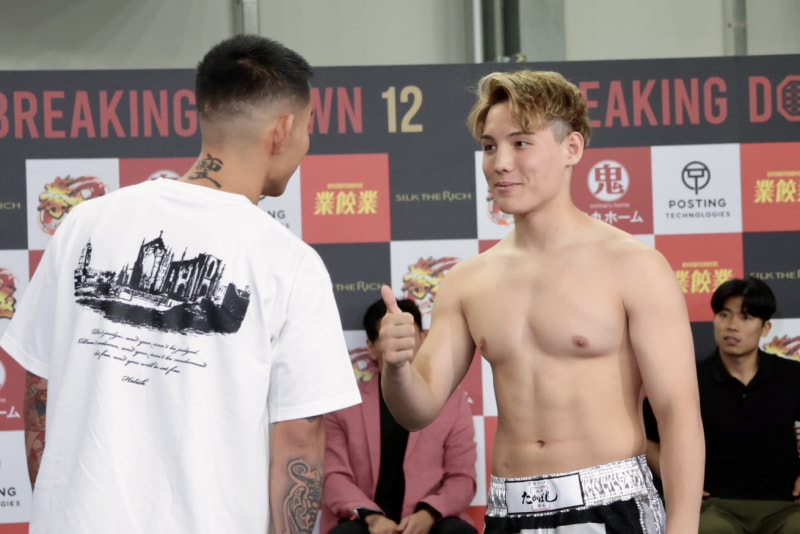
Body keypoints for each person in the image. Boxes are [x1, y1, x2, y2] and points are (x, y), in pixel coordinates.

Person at [0, 35, 362, 534]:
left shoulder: (84, 223)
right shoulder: (290, 263)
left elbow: (39, 389)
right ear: (282, 130)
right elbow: (299, 438)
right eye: (309, 126)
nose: (308, 142)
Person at [377, 70, 705, 534]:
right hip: (510, 512)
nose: (500, 163)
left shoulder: (635, 266)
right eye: (490, 147)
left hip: (612, 509)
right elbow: (417, 410)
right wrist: (397, 368)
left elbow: (678, 415)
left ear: (572, 148)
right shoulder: (468, 281)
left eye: (520, 143)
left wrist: (684, 527)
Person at [644, 276, 800, 534]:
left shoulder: (791, 376)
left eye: (745, 318)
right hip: (714, 507)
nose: (732, 326)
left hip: (784, 506)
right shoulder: (690, 380)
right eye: (724, 315)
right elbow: (645, 438)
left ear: (765, 328)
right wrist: (680, 478)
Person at [320, 297, 478, 534]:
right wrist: (372, 517)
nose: (401, 344)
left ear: (423, 339)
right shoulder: (345, 404)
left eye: (408, 335)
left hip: (431, 523)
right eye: (389, 336)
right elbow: (334, 477)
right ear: (371, 347)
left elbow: (462, 478)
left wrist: (428, 514)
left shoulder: (452, 402)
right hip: (365, 524)